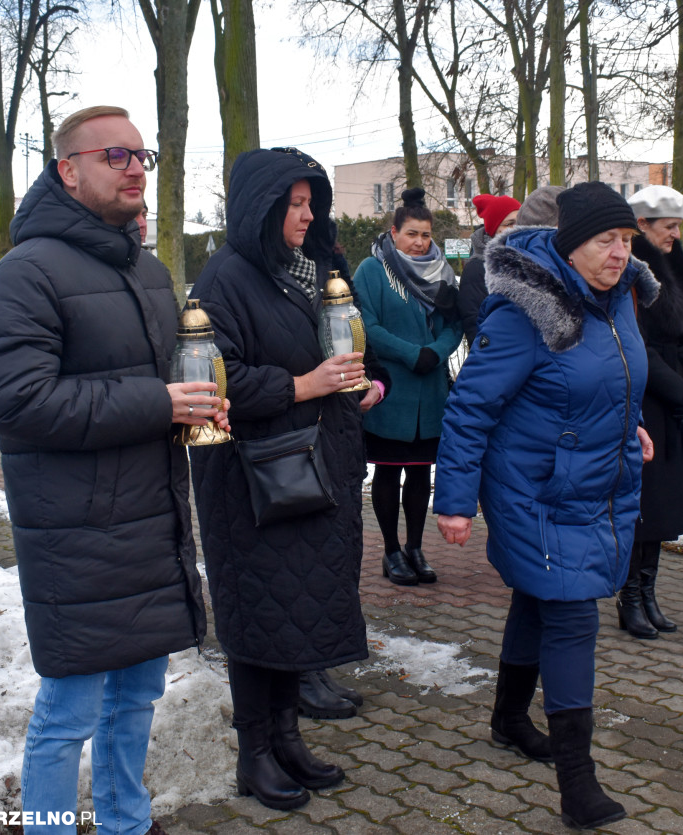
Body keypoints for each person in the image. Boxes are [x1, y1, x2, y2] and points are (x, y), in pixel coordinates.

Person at [0, 105, 224, 835]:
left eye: (142, 155)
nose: (136, 167)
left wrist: (196, 407)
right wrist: (158, 402)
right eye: (116, 155)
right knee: (69, 710)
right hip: (74, 532)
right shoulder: (25, 272)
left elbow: (161, 383)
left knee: (139, 692)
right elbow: (14, 401)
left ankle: (125, 820)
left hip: (150, 521)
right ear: (68, 170)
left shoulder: (146, 270)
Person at [434, 182, 657, 831]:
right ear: (570, 243)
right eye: (605, 241)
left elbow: (614, 378)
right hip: (531, 490)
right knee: (571, 615)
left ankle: (507, 719)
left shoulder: (618, 301)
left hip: (591, 480)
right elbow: (471, 407)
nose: (619, 253)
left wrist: (629, 423)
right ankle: (577, 784)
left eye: (625, 240)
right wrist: (453, 500)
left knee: (539, 597)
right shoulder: (525, 311)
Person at [188, 147, 388, 810]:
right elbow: (210, 376)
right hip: (252, 479)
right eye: (294, 204)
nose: (306, 216)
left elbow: (338, 349)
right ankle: (255, 753)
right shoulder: (224, 278)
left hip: (313, 467)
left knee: (294, 610)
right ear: (261, 207)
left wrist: (358, 382)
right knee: (258, 616)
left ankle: (287, 738)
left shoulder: (310, 271)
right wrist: (303, 385)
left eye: (311, 203)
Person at [353, 187, 464, 586]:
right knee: (388, 471)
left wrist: (436, 351)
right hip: (392, 388)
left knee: (420, 474)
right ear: (394, 232)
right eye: (412, 234)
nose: (420, 243)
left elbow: (456, 322)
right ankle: (390, 550)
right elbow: (366, 325)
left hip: (431, 388)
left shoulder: (443, 273)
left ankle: (416, 548)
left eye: (426, 235)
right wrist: (411, 353)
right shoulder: (373, 270)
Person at [617, 185, 683, 639]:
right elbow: (636, 342)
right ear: (642, 227)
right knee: (643, 503)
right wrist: (678, 390)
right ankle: (629, 597)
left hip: (678, 399)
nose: (675, 235)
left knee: (665, 506)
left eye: (677, 226)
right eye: (668, 227)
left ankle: (650, 592)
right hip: (646, 396)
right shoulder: (629, 273)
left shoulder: (680, 270)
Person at [458, 193, 521, 347]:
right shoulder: (477, 268)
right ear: (494, 229)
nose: (517, 228)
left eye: (520, 221)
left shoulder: (527, 260)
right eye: (509, 223)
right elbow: (475, 324)